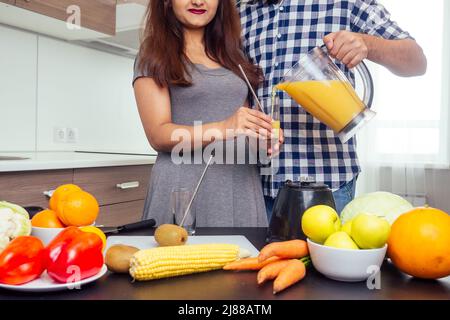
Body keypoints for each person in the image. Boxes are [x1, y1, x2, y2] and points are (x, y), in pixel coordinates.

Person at [238, 0, 427, 217]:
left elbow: (416, 61)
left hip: (330, 184)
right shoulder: (241, 12)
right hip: (260, 186)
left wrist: (367, 44)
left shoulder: (346, 3)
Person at [133, 0, 283, 227]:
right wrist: (225, 127)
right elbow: (158, 135)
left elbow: (241, 128)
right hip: (184, 186)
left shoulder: (234, 56)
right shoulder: (154, 54)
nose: (198, 1)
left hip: (241, 185)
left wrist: (262, 140)